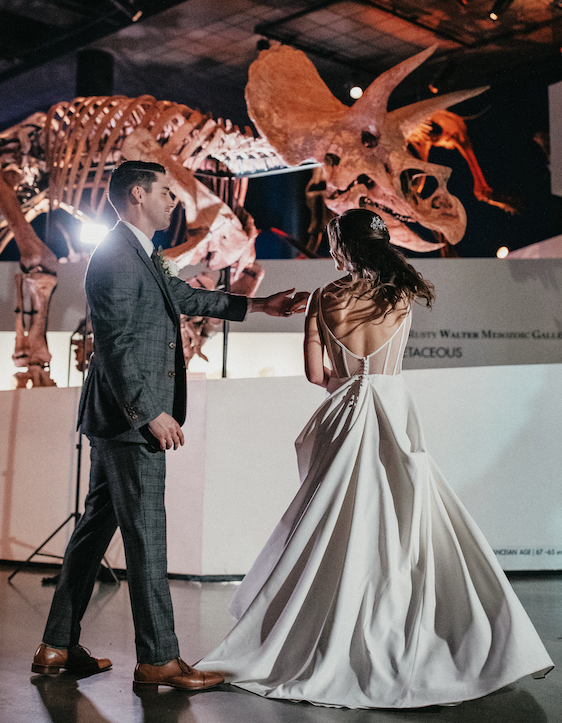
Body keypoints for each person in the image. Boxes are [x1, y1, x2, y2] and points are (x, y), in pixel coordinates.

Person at [197, 208, 553, 708]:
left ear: (340, 247)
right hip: (393, 409)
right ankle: (424, 629)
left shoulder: (324, 297)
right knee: (408, 521)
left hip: (343, 414)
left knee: (335, 522)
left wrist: (346, 382)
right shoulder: (401, 293)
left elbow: (315, 375)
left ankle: (327, 630)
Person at [31, 160, 308, 689]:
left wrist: (258, 306)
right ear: (138, 193)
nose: (174, 202)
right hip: (128, 421)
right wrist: (148, 412)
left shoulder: (136, 249)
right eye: (166, 192)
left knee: (93, 536)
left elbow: (182, 298)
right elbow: (112, 344)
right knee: (147, 537)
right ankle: (158, 658)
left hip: (118, 419)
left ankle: (55, 647)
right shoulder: (116, 255)